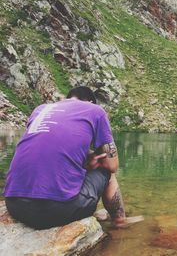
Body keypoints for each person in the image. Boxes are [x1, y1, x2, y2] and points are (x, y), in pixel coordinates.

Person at [3, 86, 143, 229]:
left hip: (15, 205)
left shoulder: (40, 110)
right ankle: (120, 221)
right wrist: (96, 158)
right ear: (90, 102)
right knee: (107, 172)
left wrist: (87, 159)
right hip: (56, 211)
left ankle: (96, 211)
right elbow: (112, 165)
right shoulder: (95, 110)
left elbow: (50, 148)